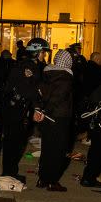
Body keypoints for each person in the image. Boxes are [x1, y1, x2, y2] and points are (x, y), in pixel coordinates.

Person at [0, 37, 48, 183]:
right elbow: (30, 90)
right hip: (17, 110)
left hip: (16, 109)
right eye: (42, 52)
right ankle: (9, 172)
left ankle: (10, 171)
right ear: (36, 52)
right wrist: (37, 106)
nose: (44, 55)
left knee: (15, 142)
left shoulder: (25, 65)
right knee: (15, 143)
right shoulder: (29, 67)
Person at [34, 50, 76, 191]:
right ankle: (52, 180)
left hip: (47, 118)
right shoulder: (66, 76)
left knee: (47, 149)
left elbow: (40, 93)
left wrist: (39, 110)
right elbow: (58, 97)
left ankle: (42, 178)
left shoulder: (47, 73)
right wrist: (45, 111)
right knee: (58, 151)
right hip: (59, 117)